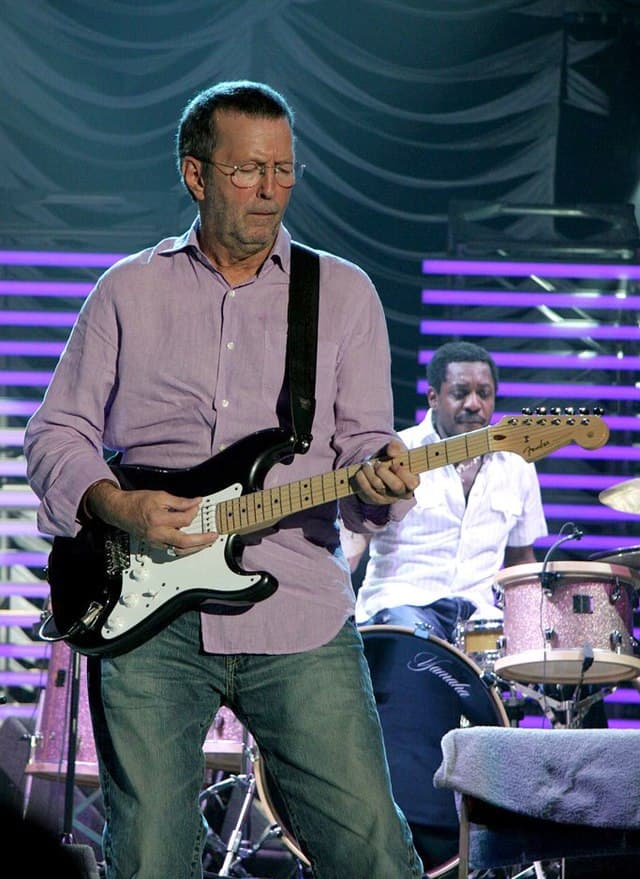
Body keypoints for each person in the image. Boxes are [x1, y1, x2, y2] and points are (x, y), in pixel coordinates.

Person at [23, 81, 424, 879]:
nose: (271, 190)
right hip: (145, 617)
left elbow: (365, 447)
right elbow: (55, 434)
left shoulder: (342, 293)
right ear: (196, 174)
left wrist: (379, 483)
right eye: (248, 171)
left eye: (284, 170)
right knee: (150, 858)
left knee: (372, 851)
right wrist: (117, 503)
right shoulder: (126, 290)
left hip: (297, 610)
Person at [341, 340, 548, 872]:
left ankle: (497, 841)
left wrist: (538, 640)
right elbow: (352, 544)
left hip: (479, 621)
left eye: (484, 393)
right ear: (434, 396)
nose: (474, 404)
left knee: (543, 677)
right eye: (461, 392)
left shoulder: (516, 465)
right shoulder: (397, 455)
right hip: (401, 611)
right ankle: (411, 833)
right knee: (417, 645)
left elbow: (521, 563)